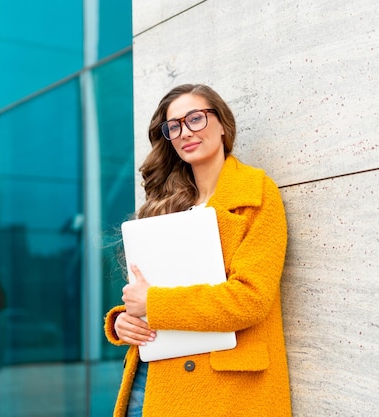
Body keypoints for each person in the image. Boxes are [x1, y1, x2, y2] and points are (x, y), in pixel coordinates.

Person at [104, 84, 292, 417]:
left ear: (222, 124)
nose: (185, 132)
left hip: (222, 389)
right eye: (173, 126)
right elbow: (150, 289)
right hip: (153, 381)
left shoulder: (255, 193)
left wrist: (154, 302)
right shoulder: (164, 206)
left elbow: (251, 298)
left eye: (195, 119)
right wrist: (124, 322)